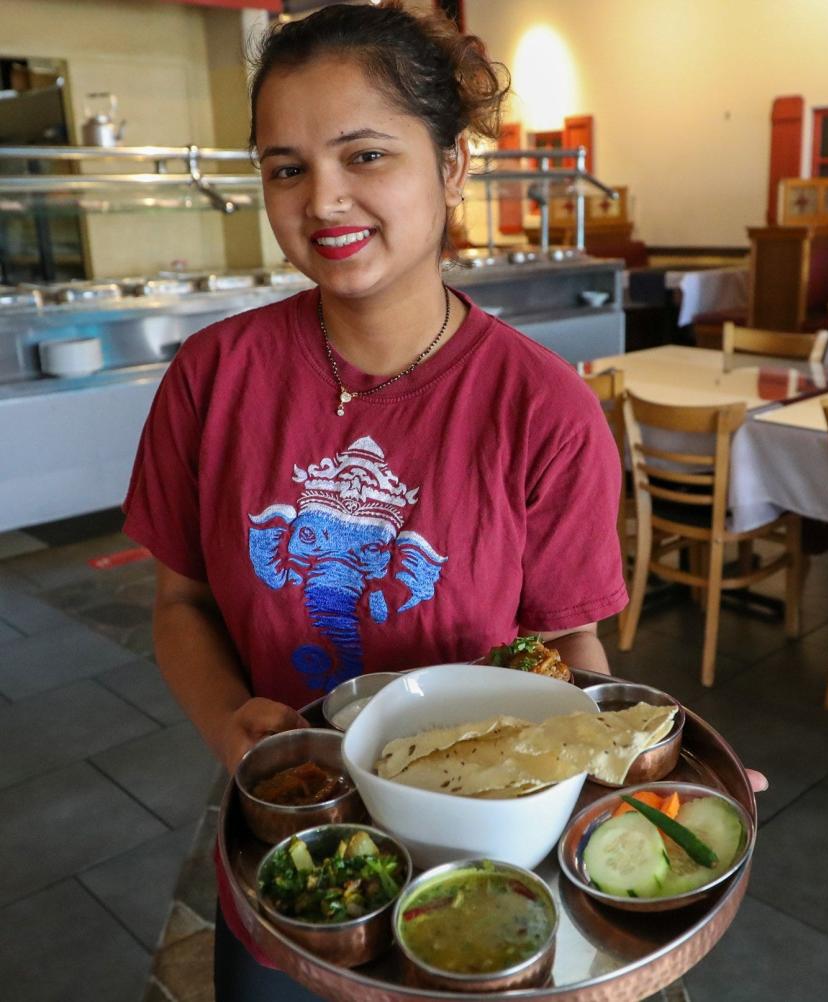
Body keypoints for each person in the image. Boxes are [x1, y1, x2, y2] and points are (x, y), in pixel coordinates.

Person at [122, 4, 626, 998]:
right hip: (292, 846)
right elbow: (181, 604)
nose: (324, 200)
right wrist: (231, 725)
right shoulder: (211, 377)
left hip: (471, 860)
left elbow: (567, 655)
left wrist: (639, 770)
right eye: (285, 167)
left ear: (450, 169)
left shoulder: (544, 408)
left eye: (364, 154)